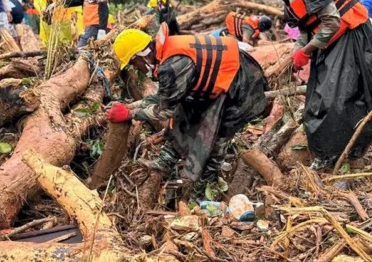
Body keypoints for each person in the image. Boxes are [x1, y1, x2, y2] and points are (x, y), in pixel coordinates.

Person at [253, 0, 372, 169]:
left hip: (351, 36)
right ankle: (329, 153)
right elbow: (308, 26)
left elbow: (332, 23)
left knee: (339, 99)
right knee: (317, 98)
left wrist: (305, 51)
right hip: (332, 40)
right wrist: (297, 55)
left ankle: (350, 155)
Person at [105, 23, 269, 199]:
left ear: (141, 56)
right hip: (220, 80)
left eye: (133, 63)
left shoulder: (172, 65)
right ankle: (166, 160)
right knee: (184, 114)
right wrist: (131, 106)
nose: (135, 68)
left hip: (242, 83)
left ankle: (204, 190)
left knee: (217, 136)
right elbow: (165, 97)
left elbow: (165, 110)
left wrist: (129, 114)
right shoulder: (165, 54)